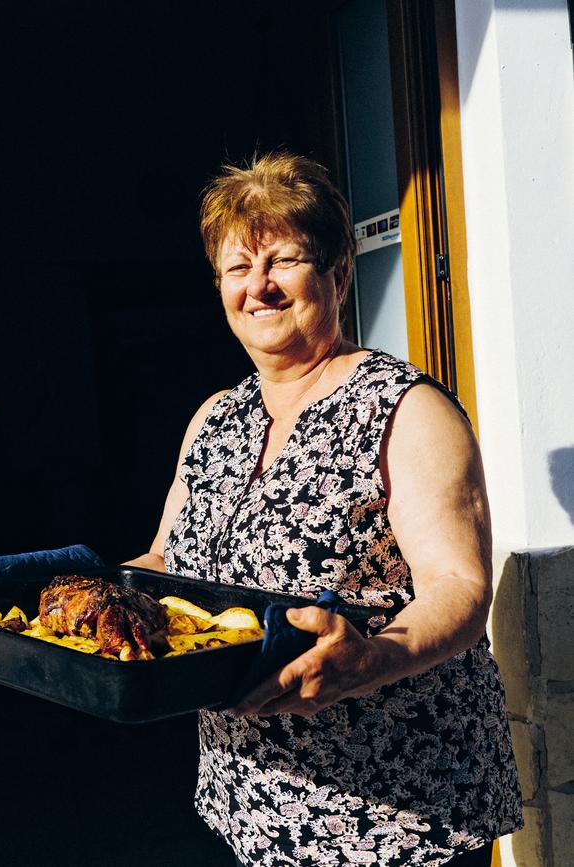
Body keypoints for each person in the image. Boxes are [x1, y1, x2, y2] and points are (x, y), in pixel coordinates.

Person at [125, 153, 522, 866]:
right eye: (237, 267)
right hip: (254, 800)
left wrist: (370, 658)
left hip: (399, 812)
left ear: (339, 272)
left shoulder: (405, 409)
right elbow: (164, 561)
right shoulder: (215, 418)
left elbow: (459, 589)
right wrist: (86, 602)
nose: (259, 286)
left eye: (283, 260)